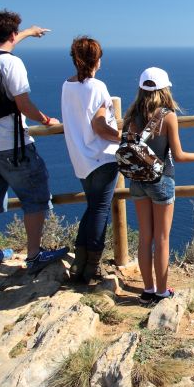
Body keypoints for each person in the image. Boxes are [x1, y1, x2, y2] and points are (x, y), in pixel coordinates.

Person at [0, 10, 67, 274]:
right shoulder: (13, 64)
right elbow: (23, 105)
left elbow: (2, 42)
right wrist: (47, 120)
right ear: (12, 34)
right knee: (36, 196)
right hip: (13, 147)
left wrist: (27, 32)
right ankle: (34, 255)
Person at [124, 67, 194, 303]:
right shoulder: (168, 116)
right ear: (164, 89)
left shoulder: (131, 115)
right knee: (163, 238)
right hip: (161, 181)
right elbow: (177, 155)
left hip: (136, 181)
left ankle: (147, 291)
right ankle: (161, 291)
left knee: (145, 237)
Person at [61, 36, 121, 283]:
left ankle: (79, 265)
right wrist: (122, 137)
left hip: (80, 159)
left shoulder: (66, 85)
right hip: (103, 156)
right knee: (99, 210)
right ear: (96, 60)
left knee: (92, 207)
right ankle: (92, 268)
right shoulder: (98, 87)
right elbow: (99, 124)